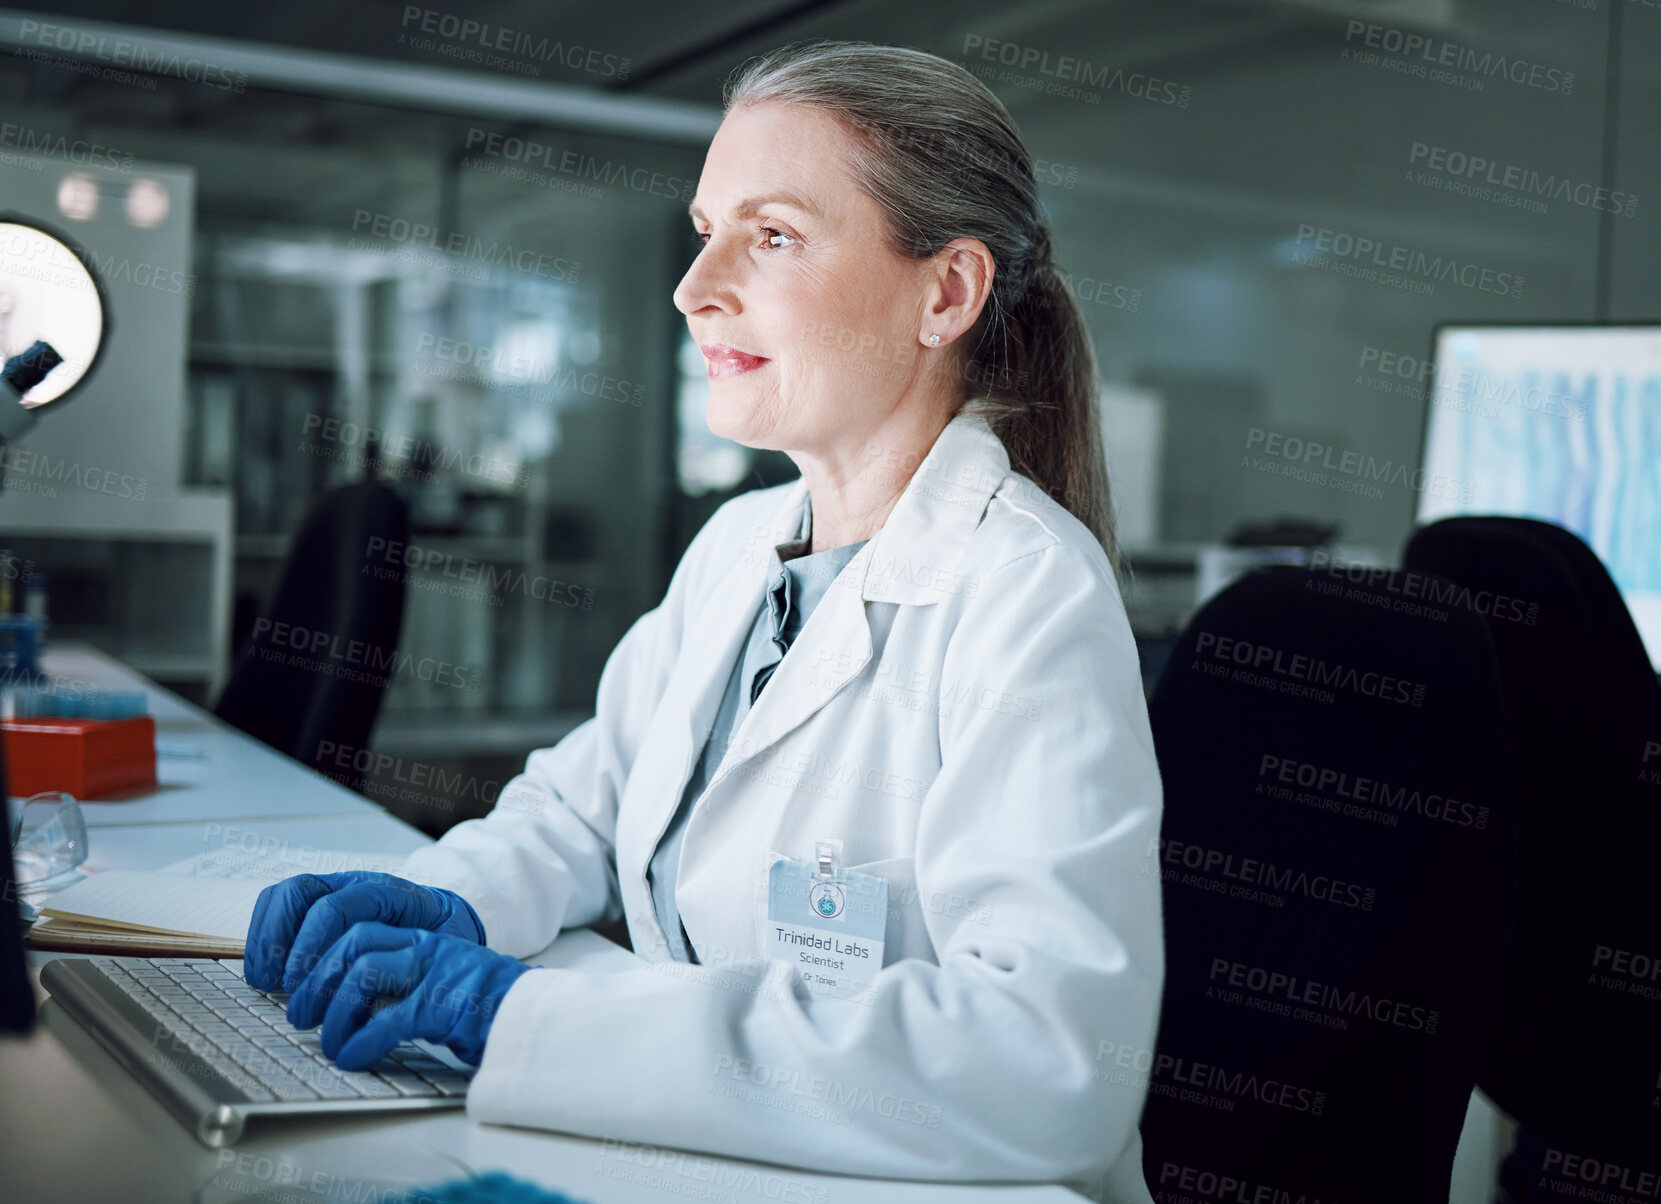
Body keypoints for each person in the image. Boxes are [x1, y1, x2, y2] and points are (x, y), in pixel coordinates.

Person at [245, 38, 1164, 1203]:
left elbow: (1044, 1071)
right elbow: (589, 804)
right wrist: (457, 896)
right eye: (704, 229)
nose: (693, 287)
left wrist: (521, 1013)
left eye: (770, 234)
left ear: (945, 293)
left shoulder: (1025, 593)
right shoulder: (743, 546)